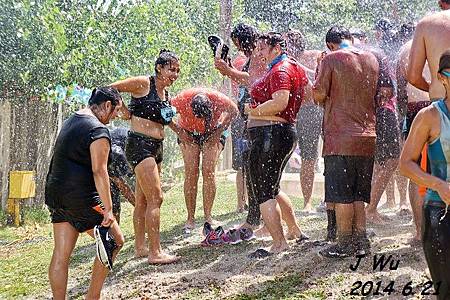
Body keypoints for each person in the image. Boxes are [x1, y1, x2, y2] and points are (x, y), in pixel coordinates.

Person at [45, 87, 125, 299]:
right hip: (81, 197)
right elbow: (99, 171)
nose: (115, 117)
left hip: (55, 193)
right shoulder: (98, 130)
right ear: (107, 105)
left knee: (61, 255)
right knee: (115, 240)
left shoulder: (73, 120)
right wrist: (108, 210)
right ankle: (93, 297)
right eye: (116, 110)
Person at [110, 49, 185, 264]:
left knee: (142, 200)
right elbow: (111, 88)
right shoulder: (144, 83)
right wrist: (123, 111)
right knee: (156, 198)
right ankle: (155, 252)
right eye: (171, 69)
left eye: (178, 71)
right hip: (140, 145)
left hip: (156, 147)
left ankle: (141, 248)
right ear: (159, 68)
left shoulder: (166, 94)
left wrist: (182, 133)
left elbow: (166, 120)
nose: (175, 74)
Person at [313, 26, 379, 257]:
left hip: (340, 138)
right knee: (358, 195)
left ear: (331, 44)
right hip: (367, 136)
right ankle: (361, 241)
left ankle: (343, 244)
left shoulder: (331, 58)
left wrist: (319, 72)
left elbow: (319, 94)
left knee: (341, 195)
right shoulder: (371, 58)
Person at [245, 32, 307, 257]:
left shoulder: (281, 70)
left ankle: (279, 243)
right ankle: (294, 230)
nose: (259, 54)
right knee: (273, 187)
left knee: (263, 191)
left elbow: (280, 102)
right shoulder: (293, 66)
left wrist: (253, 110)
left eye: (262, 49)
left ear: (276, 48)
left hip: (270, 135)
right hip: (280, 134)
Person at [399, 50, 450, 300]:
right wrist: (438, 184)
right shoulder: (429, 116)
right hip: (440, 214)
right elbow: (406, 164)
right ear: (442, 78)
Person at [170, 88, 238, 233]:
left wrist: (219, 132)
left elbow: (234, 111)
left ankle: (208, 217)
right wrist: (179, 131)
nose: (201, 120)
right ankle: (190, 218)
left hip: (213, 131)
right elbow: (163, 113)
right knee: (191, 172)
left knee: (208, 171)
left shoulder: (219, 99)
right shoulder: (181, 100)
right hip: (187, 132)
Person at [397, 34, 432, 243]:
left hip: (415, 108)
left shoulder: (406, 48)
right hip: (441, 104)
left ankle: (420, 232)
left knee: (415, 170)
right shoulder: (443, 39)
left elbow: (402, 88)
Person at [284, 29, 323, 212]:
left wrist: (299, 65)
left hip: (317, 108)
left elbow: (319, 77)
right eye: (288, 39)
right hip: (298, 111)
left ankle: (317, 201)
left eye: (294, 38)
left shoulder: (314, 55)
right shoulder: (284, 62)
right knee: (299, 156)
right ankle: (303, 202)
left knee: (319, 156)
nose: (292, 41)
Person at [408, 0, 450, 100]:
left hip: (441, 101)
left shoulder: (426, 24)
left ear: (441, 3)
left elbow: (413, 77)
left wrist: (432, 87)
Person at [108, 126, 135, 224]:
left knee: (114, 195)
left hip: (119, 148)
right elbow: (123, 186)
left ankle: (114, 233)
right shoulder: (115, 153)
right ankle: (114, 233)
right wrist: (139, 206)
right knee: (113, 197)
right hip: (114, 152)